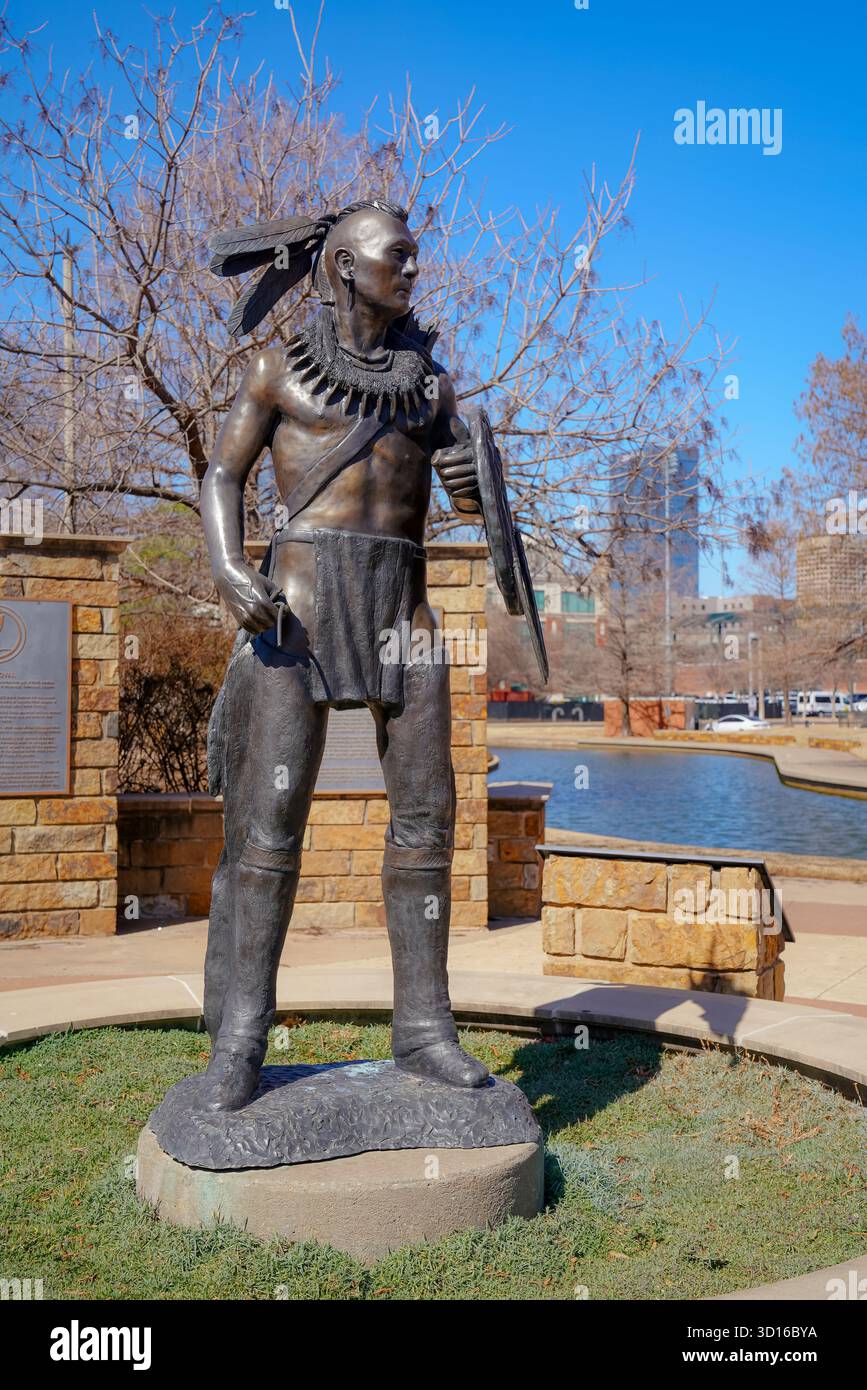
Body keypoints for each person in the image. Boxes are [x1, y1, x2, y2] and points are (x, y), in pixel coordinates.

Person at [198, 198, 490, 1110]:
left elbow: (476, 506)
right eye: (395, 257)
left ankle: (426, 1031)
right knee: (270, 826)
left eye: (413, 257)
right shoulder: (278, 368)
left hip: (402, 603)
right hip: (301, 605)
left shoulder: (432, 387)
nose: (411, 271)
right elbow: (223, 473)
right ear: (343, 269)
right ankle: (240, 1041)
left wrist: (474, 485)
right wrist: (225, 565)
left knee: (427, 817)